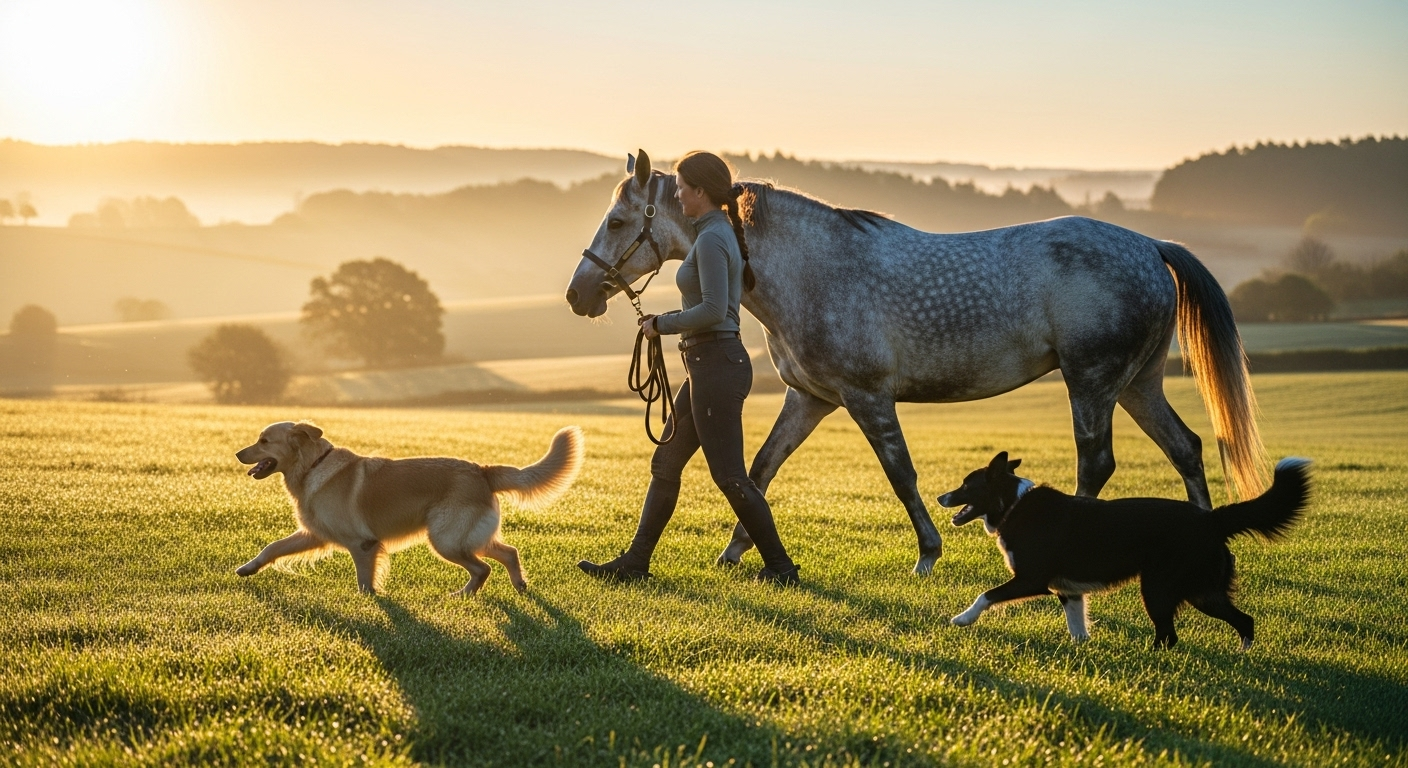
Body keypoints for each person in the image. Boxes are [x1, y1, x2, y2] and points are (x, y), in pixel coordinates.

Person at [578, 151, 800, 585]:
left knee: (730, 476)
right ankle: (636, 562)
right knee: (666, 463)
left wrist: (662, 324)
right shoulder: (710, 234)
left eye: (681, 187)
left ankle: (781, 567)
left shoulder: (714, 237)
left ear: (700, 192)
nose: (675, 193)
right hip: (706, 363)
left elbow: (716, 310)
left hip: (718, 364)